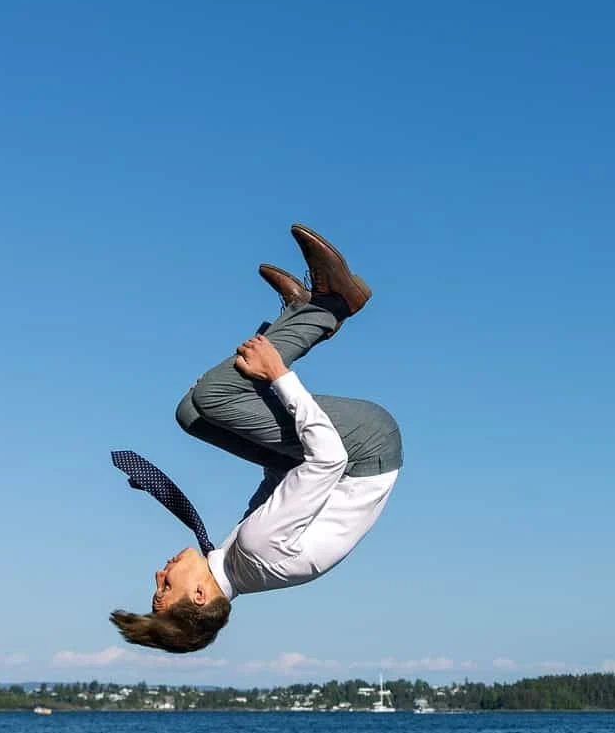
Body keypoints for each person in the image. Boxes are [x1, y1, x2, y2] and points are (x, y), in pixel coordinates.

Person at [109, 225, 402, 654]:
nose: (159, 573)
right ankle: (332, 303)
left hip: (345, 459)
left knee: (193, 412)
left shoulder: (238, 562)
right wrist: (277, 378)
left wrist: (232, 417)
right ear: (199, 597)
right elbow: (327, 460)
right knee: (213, 396)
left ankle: (298, 312)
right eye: (164, 588)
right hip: (365, 449)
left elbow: (280, 477)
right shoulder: (255, 551)